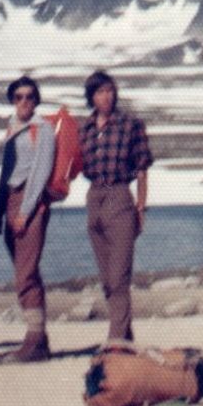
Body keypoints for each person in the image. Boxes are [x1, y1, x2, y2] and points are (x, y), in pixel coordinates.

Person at [80, 70, 153, 342]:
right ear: (91, 96)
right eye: (100, 92)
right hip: (94, 199)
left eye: (110, 90)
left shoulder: (130, 125)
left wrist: (141, 209)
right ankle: (126, 336)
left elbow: (143, 169)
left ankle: (116, 341)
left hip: (120, 198)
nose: (106, 96)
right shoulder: (84, 129)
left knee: (119, 276)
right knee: (107, 279)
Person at [0, 76, 56, 362]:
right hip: (10, 200)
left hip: (27, 203)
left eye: (30, 96)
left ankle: (33, 340)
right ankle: (39, 339)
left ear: (36, 99)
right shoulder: (13, 128)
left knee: (25, 273)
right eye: (18, 97)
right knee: (25, 268)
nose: (24, 102)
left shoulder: (41, 130)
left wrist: (25, 212)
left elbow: (40, 173)